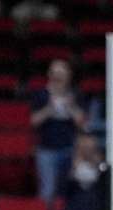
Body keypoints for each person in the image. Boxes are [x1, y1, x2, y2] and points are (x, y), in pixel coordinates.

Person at [29, 59, 85, 202]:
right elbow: (33, 121)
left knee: (67, 190)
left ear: (69, 75)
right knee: (47, 190)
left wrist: (71, 107)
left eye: (62, 73)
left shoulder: (75, 95)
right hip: (46, 150)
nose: (58, 77)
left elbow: (82, 123)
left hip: (69, 148)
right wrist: (49, 108)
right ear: (49, 75)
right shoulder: (41, 94)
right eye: (55, 73)